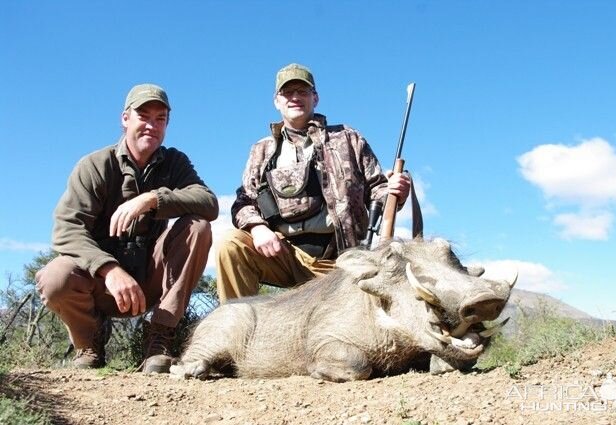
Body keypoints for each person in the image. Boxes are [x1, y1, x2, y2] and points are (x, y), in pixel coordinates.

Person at [36, 83, 218, 373]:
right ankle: (89, 343)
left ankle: (159, 337)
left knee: (198, 226)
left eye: (160, 119)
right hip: (102, 285)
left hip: (149, 281)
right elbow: (67, 229)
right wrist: (109, 269)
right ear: (125, 119)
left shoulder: (175, 162)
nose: (152, 125)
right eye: (143, 116)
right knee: (55, 277)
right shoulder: (95, 165)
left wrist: (153, 199)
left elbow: (209, 203)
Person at [215, 63, 410, 302]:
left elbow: (378, 190)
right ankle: (236, 333)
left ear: (315, 98)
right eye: (288, 92)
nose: (295, 97)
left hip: (343, 261)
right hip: (285, 256)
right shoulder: (262, 150)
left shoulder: (349, 138)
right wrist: (258, 229)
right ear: (276, 101)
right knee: (231, 244)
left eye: (303, 91)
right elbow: (244, 202)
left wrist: (395, 192)